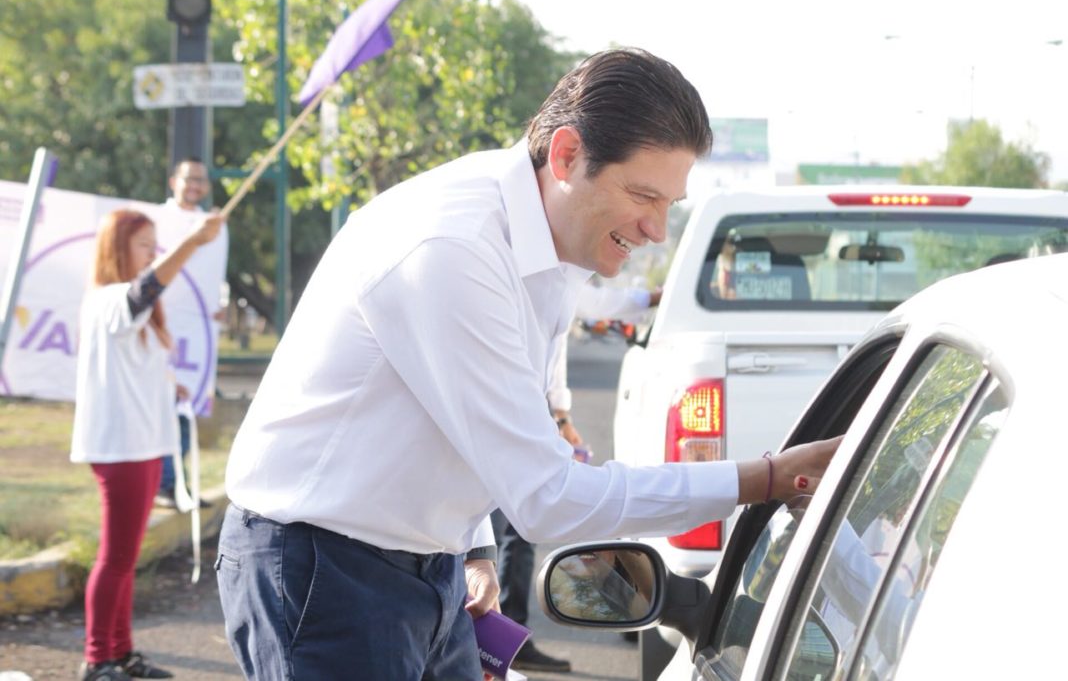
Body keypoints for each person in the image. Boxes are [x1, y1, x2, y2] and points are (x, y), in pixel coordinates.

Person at [218, 47, 840, 680]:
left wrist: (475, 543)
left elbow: (477, 422)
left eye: (669, 205)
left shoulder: (553, 228)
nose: (656, 230)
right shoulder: (454, 248)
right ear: (567, 155)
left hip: (423, 561)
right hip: (324, 569)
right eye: (643, 196)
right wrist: (762, 479)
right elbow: (545, 496)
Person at [71, 208, 225, 681]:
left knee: (123, 558)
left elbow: (135, 360)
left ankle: (120, 653)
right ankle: (98, 659)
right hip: (121, 448)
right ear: (117, 248)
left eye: (155, 244)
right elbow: (145, 291)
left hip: (139, 445)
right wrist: (194, 243)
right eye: (143, 244)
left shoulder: (123, 307)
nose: (151, 254)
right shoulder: (110, 299)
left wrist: (170, 387)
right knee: (115, 558)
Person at [494, 282, 662, 673]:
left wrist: (561, 414)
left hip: (531, 411)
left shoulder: (553, 271)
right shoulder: (535, 269)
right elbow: (592, 306)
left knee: (506, 534)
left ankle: (499, 642)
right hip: (519, 413)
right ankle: (504, 643)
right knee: (513, 532)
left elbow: (567, 334)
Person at [153, 156, 224, 509]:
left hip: (196, 334)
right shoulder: (157, 220)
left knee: (185, 408)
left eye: (201, 179)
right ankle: (166, 482)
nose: (195, 185)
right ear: (173, 182)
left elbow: (211, 276)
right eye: (188, 178)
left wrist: (217, 306)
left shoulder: (215, 226)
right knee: (164, 406)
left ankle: (177, 483)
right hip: (162, 326)